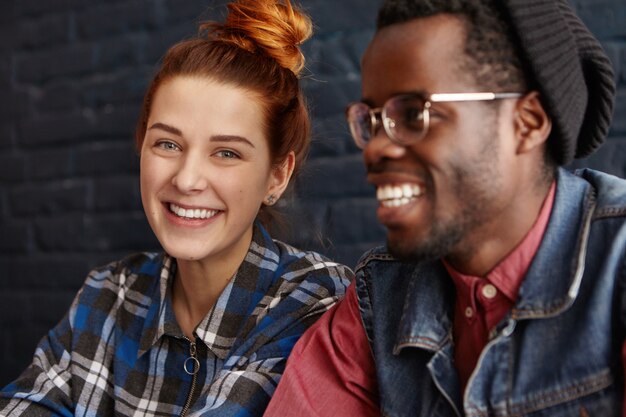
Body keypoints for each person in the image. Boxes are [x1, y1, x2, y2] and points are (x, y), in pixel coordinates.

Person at [265, 0, 625, 415]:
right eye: (372, 120)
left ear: (525, 123)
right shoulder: (378, 301)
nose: (377, 148)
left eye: (414, 113)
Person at [0, 0, 352, 416]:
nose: (186, 180)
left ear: (276, 176)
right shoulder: (108, 294)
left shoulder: (313, 301)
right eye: (168, 144)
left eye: (226, 153)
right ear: (142, 145)